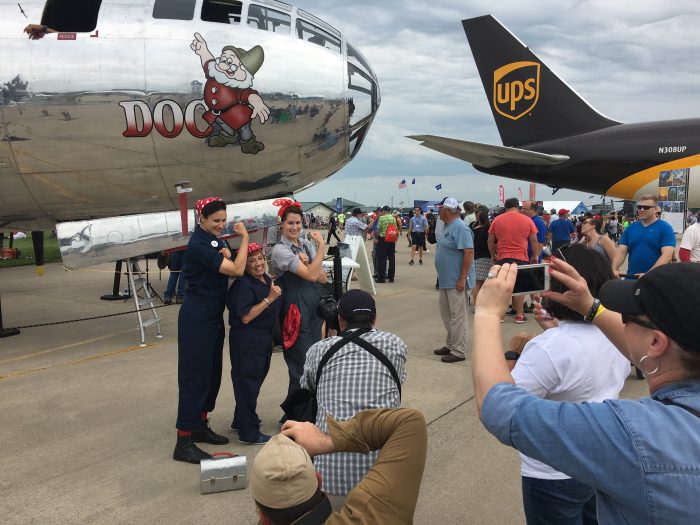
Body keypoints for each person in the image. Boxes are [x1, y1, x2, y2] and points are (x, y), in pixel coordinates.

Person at [472, 258, 700, 524]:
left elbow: (499, 407)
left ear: (655, 342)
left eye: (627, 316)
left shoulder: (637, 435)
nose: (622, 323)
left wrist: (487, 314)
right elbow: (648, 353)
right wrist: (588, 307)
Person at [504, 244, 630, 524]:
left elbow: (501, 406)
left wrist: (513, 353)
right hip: (600, 460)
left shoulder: (547, 348)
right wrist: (556, 331)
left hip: (553, 472)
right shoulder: (619, 335)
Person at [301, 290, 407, 509]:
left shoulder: (319, 350)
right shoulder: (395, 344)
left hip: (330, 483)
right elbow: (398, 383)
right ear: (374, 318)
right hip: (382, 482)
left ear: (339, 320)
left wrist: (327, 340)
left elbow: (307, 387)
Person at [249, 408, 427, 524]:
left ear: (263, 517)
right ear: (319, 480)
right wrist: (326, 441)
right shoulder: (372, 517)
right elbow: (409, 422)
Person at [173, 197, 249, 464]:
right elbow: (238, 270)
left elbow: (226, 260)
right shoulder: (198, 245)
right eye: (215, 220)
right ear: (201, 219)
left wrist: (228, 250)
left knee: (212, 373)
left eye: (223, 220)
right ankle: (183, 439)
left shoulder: (216, 241)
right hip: (197, 317)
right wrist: (245, 238)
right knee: (194, 375)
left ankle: (200, 424)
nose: (220, 225)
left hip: (213, 315)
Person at [226, 243, 282, 445]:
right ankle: (248, 432)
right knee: (247, 383)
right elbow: (246, 317)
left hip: (263, 339)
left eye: (260, 258)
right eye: (252, 261)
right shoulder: (243, 285)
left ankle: (240, 419)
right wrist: (270, 299)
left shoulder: (265, 278)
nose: (258, 264)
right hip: (248, 339)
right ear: (244, 265)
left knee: (253, 381)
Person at [271, 203, 328, 398]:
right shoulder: (280, 250)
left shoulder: (305, 245)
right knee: (300, 362)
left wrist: (309, 264)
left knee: (314, 360)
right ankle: (297, 413)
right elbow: (312, 276)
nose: (295, 227)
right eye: (290, 223)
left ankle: (302, 411)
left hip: (313, 304)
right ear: (282, 225)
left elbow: (323, 278)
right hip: (295, 306)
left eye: (298, 223)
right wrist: (321, 247)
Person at [433, 197, 475, 363]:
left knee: (458, 317)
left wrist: (462, 278)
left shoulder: (460, 227)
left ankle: (458, 351)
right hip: (446, 280)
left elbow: (468, 252)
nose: (438, 212)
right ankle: (451, 344)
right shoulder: (449, 226)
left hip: (456, 281)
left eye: (440, 209)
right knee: (447, 315)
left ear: (446, 211)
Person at [488, 197, 538, 324]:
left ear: (506, 206)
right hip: (521, 258)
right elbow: (534, 240)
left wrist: (493, 256)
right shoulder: (527, 220)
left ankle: (500, 316)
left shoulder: (497, 219)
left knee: (503, 287)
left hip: (502, 257)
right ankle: (520, 315)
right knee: (519, 288)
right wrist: (535, 255)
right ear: (518, 206)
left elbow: (490, 241)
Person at [613, 195, 675, 278]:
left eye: (646, 207)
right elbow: (621, 252)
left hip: (656, 279)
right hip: (631, 278)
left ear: (655, 209)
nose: (641, 209)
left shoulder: (666, 228)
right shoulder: (630, 229)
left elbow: (667, 255)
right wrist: (613, 268)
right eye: (639, 207)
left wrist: (648, 274)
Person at [470, 208, 492, 310]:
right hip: (487, 257)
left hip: (476, 257)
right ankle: (483, 304)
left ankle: (476, 305)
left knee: (477, 283)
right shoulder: (489, 229)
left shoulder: (473, 230)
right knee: (485, 284)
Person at [375, 205, 396, 283]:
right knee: (391, 258)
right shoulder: (393, 218)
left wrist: (377, 237)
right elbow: (395, 229)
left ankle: (381, 278)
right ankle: (391, 277)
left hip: (383, 239)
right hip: (392, 239)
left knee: (382, 259)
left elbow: (378, 229)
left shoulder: (382, 218)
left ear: (384, 211)